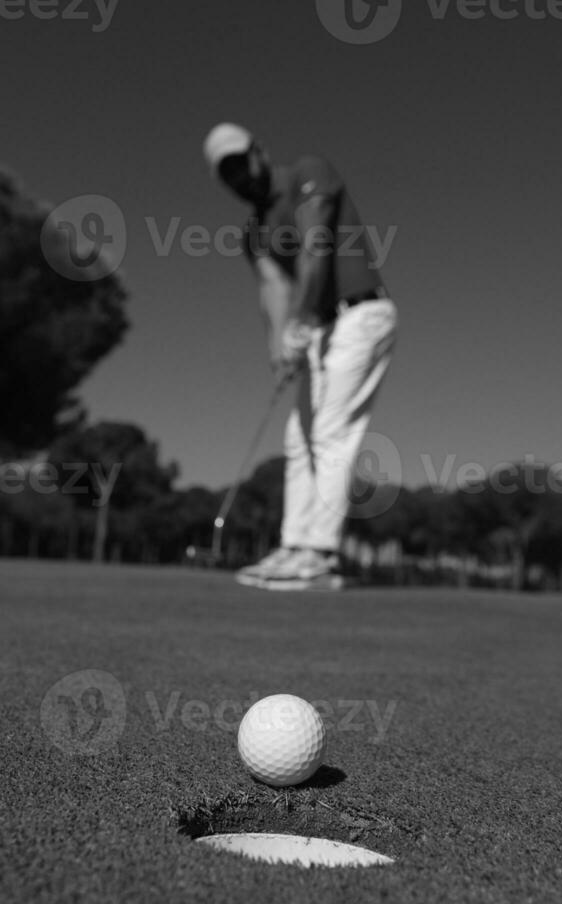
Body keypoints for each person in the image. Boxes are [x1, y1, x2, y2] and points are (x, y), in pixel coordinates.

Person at [203, 123, 398, 590]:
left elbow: (316, 245)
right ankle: (294, 545)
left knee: (330, 431)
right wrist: (279, 348)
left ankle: (320, 554)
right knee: (297, 438)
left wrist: (302, 319)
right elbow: (273, 288)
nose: (238, 177)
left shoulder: (308, 172)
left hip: (361, 314)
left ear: (259, 152)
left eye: (239, 162)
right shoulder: (253, 233)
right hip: (319, 326)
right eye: (225, 174)